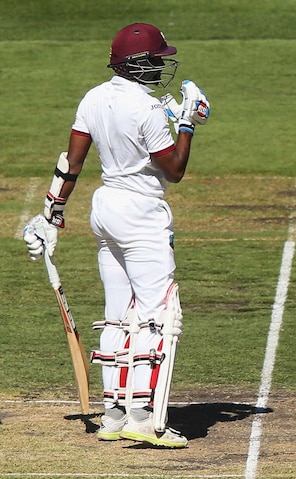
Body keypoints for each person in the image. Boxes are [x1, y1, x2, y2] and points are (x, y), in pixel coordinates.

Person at [22, 23, 210, 448]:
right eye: (157, 59)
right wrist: (187, 122)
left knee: (117, 312)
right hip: (142, 212)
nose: (162, 64)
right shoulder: (146, 111)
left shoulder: (94, 97)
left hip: (105, 208)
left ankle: (113, 414)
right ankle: (145, 419)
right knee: (157, 315)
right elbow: (175, 170)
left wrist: (50, 214)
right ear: (138, 64)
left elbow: (71, 162)